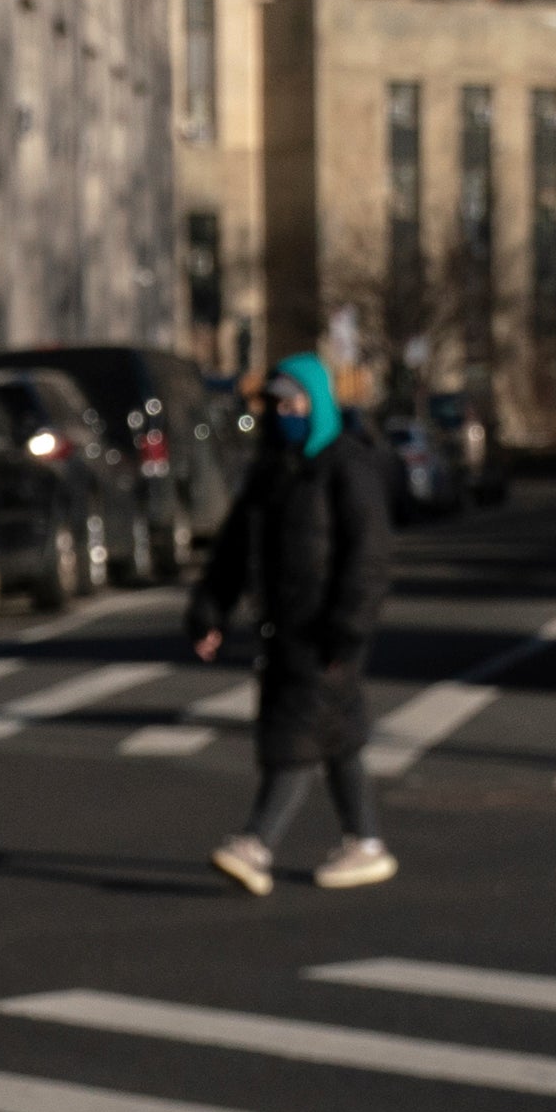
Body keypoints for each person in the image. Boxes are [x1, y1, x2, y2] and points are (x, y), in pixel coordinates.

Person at [187, 349, 397, 892]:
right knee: (336, 732)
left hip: (325, 629)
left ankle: (255, 843)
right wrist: (210, 609)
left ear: (318, 403)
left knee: (296, 732)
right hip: (283, 628)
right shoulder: (270, 472)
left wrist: (349, 626)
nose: (282, 413)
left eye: (293, 402)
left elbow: (368, 557)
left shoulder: (346, 466)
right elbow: (234, 550)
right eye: (275, 404)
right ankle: (365, 842)